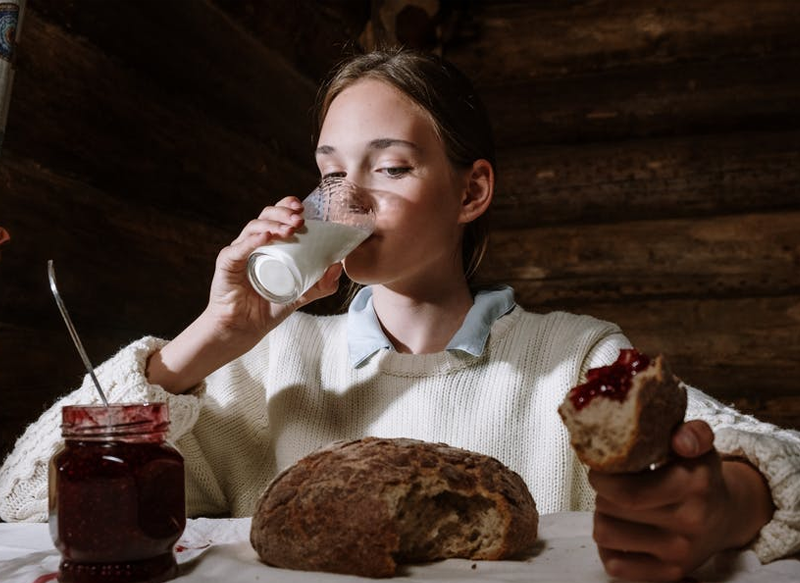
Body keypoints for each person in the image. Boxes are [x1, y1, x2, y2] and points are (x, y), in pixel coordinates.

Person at [1, 48, 798, 582]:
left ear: (471, 191)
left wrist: (729, 497)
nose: (349, 197)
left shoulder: (573, 354)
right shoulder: (261, 364)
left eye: (390, 166)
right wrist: (206, 341)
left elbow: (771, 454)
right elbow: (27, 499)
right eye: (328, 171)